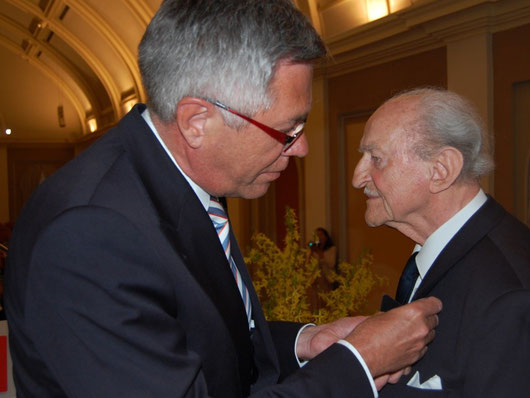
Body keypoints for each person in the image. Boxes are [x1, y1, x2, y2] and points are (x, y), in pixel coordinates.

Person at [4, 1, 442, 397]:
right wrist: (356, 366)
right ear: (197, 120)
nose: (302, 147)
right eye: (287, 129)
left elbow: (197, 335)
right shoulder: (90, 234)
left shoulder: (177, 174)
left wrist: (305, 342)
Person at [352, 87, 530, 397]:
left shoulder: (513, 298)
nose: (357, 177)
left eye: (376, 158)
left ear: (441, 170)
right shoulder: (451, 253)